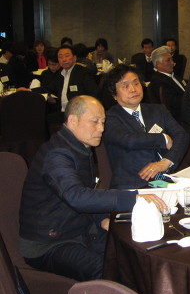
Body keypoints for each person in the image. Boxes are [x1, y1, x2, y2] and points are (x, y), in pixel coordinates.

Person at [19, 95, 166, 282]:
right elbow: (77, 197)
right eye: (95, 121)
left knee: (133, 252)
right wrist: (134, 197)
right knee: (106, 270)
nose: (101, 129)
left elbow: (87, 191)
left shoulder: (79, 146)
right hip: (48, 243)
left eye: (103, 122)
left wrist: (101, 219)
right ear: (73, 120)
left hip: (78, 229)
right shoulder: (57, 155)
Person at [103, 64, 189, 189]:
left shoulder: (158, 110)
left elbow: (182, 135)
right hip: (134, 185)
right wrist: (163, 138)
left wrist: (167, 162)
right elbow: (129, 140)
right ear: (114, 95)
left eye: (136, 83)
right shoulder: (109, 118)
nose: (133, 89)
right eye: (125, 86)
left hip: (168, 179)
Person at [32, 46, 99, 124]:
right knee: (41, 119)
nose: (64, 59)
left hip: (79, 113)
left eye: (67, 56)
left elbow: (94, 93)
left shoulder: (83, 73)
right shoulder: (60, 74)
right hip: (63, 112)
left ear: (74, 58)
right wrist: (30, 90)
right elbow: (49, 88)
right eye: (60, 57)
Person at [148, 45, 185, 121]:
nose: (172, 63)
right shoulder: (158, 82)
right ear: (158, 64)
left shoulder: (175, 77)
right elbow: (172, 106)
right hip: (179, 119)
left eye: (172, 59)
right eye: (168, 60)